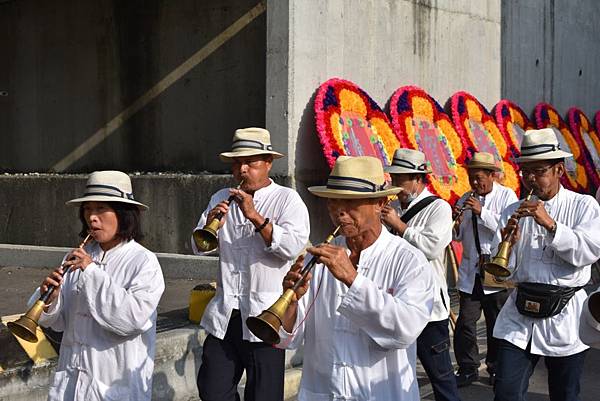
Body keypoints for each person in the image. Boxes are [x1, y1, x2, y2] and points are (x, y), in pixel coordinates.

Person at [278, 155, 435, 401]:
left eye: (351, 203)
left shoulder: (409, 260)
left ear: (379, 203)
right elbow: (292, 335)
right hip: (324, 392)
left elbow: (405, 330)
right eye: (332, 202)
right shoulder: (320, 259)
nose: (339, 212)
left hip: (382, 394)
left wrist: (353, 279)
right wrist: (292, 301)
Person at [192, 127, 310, 401]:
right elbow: (199, 246)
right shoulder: (221, 197)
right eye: (237, 163)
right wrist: (213, 223)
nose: (242, 169)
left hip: (266, 315)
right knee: (212, 391)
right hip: (225, 313)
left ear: (268, 163)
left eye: (250, 163)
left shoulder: (287, 199)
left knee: (264, 395)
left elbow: (291, 247)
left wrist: (255, 217)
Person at [36, 170, 165, 401]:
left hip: (115, 385)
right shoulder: (76, 256)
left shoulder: (143, 261)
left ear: (124, 214)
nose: (92, 218)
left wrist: (91, 271)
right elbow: (59, 323)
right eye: (87, 209)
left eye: (101, 209)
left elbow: (130, 319)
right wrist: (51, 299)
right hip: (72, 381)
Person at [491, 128, 600, 401]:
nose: (530, 179)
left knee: (564, 394)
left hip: (565, 317)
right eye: (525, 172)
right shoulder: (513, 210)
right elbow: (503, 271)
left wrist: (551, 225)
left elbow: (589, 251)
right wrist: (509, 244)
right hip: (519, 315)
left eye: (538, 171)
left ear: (559, 170)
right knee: (505, 392)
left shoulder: (584, 205)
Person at [381, 148, 461, 401]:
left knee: (440, 375)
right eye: (394, 178)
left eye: (401, 178)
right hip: (396, 303)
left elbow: (432, 247)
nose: (396, 184)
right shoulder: (393, 207)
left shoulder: (438, 208)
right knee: (396, 375)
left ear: (418, 179)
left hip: (429, 308)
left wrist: (399, 226)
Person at [452, 152, 518, 387]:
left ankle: (495, 367)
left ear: (492, 175)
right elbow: (457, 237)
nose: (475, 183)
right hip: (472, 268)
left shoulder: (507, 195)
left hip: (495, 266)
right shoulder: (465, 198)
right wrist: (457, 223)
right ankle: (468, 367)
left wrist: (482, 212)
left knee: (496, 321)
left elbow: (506, 230)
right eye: (471, 178)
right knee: (465, 323)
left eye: (479, 178)